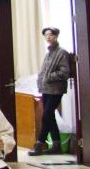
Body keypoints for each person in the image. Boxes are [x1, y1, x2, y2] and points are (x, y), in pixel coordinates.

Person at [30, 26, 72, 156]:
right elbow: (44, 71)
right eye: (46, 35)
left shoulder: (61, 53)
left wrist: (48, 77)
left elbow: (65, 72)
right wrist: (41, 81)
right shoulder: (48, 53)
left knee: (46, 115)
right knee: (50, 116)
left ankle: (39, 143)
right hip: (46, 89)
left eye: (51, 35)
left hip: (56, 90)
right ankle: (56, 144)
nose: (48, 37)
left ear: (56, 36)